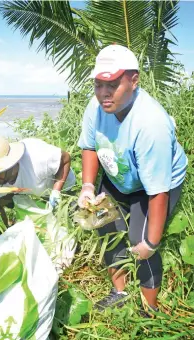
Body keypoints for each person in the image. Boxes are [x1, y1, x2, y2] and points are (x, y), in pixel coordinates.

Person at [78, 45, 187, 313]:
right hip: (119, 176)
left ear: (134, 80)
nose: (104, 92)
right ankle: (120, 292)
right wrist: (88, 186)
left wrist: (151, 243)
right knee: (105, 225)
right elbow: (90, 146)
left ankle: (148, 308)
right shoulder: (96, 106)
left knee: (142, 241)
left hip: (156, 184)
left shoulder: (150, 124)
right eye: (99, 84)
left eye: (113, 84)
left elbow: (158, 192)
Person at [0, 136, 76, 242]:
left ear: (11, 165)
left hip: (58, 183)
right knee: (0, 201)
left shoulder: (36, 157)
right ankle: (5, 230)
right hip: (27, 189)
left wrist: (56, 191)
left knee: (67, 218)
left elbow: (65, 158)